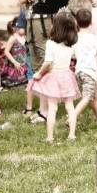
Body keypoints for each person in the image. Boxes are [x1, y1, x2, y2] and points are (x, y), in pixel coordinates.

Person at [18, 0, 53, 123]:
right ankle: (48, 106)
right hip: (51, 18)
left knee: (41, 63)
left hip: (37, 20)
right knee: (49, 60)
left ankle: (44, 111)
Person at [30, 12, 80, 142]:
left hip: (54, 77)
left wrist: (39, 74)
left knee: (52, 108)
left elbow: (48, 63)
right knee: (70, 106)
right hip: (67, 76)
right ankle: (72, 135)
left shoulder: (51, 44)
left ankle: (50, 137)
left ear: (56, 26)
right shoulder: (71, 44)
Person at [73, 8, 97, 123]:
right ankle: (72, 117)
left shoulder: (75, 38)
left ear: (76, 22)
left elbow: (72, 54)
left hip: (78, 72)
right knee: (87, 97)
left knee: (91, 96)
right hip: (89, 72)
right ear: (91, 22)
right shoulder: (94, 38)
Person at [1, 17, 32, 90]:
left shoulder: (24, 37)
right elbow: (6, 51)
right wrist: (14, 62)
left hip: (24, 63)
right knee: (16, 82)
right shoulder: (13, 38)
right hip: (16, 65)